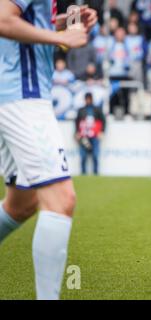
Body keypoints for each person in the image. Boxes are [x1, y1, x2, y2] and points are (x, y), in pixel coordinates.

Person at [0, 0, 97, 300]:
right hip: (23, 98)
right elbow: (3, 19)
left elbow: (21, 21)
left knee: (21, 204)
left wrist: (64, 22)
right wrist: (61, 37)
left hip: (14, 95)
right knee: (61, 200)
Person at [75, 93, 106, 175]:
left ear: (92, 99)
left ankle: (95, 173)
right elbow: (77, 122)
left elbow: (103, 120)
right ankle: (83, 173)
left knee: (95, 155)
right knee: (83, 156)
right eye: (87, 99)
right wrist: (77, 132)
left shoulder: (97, 109)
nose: (88, 100)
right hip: (84, 136)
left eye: (89, 99)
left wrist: (102, 131)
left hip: (95, 136)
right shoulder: (81, 110)